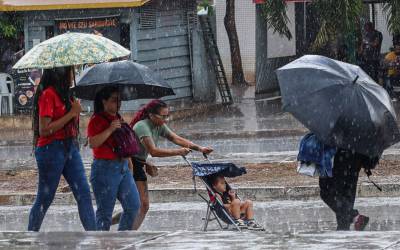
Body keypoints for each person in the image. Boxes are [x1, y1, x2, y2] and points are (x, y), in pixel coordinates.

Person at [112, 99, 213, 230]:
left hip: (139, 163)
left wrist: (200, 148)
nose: (166, 119)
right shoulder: (142, 126)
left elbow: (176, 138)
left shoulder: (159, 125)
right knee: (138, 206)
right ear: (151, 115)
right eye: (163, 116)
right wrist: (179, 152)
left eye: (167, 116)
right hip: (129, 164)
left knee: (142, 206)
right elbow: (153, 151)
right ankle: (122, 230)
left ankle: (126, 231)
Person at [28, 67, 96, 231]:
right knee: (45, 198)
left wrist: (75, 112)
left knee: (84, 193)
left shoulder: (68, 95)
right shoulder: (48, 95)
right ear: (62, 74)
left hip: (70, 147)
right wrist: (72, 113)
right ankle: (30, 236)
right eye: (71, 71)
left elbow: (71, 121)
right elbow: (45, 129)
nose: (73, 75)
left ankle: (95, 237)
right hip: (50, 150)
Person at [87, 86, 140, 231]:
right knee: (104, 215)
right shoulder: (96, 120)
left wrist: (128, 161)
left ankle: (121, 240)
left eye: (119, 100)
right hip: (105, 169)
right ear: (104, 102)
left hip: (122, 167)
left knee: (133, 206)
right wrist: (110, 129)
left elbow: (122, 144)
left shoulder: (118, 117)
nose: (118, 103)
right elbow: (93, 143)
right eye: (114, 100)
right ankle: (102, 244)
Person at [319, 149, 379, 231]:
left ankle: (355, 217)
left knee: (327, 192)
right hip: (355, 161)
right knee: (346, 198)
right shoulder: (364, 138)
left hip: (341, 158)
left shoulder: (341, 138)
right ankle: (343, 232)